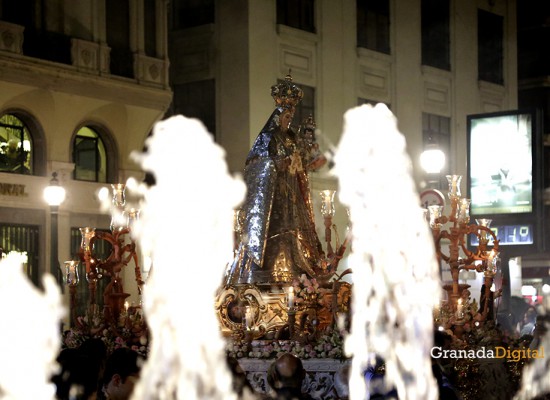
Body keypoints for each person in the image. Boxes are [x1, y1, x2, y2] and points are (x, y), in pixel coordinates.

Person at [224, 75, 331, 287]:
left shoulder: (292, 138)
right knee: (277, 229)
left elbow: (303, 160)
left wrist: (300, 163)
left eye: (291, 117)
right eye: (285, 117)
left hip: (290, 190)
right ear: (278, 116)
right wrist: (278, 163)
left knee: (293, 229)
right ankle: (266, 272)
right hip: (273, 195)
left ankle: (296, 268)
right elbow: (255, 163)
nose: (288, 120)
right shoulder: (269, 137)